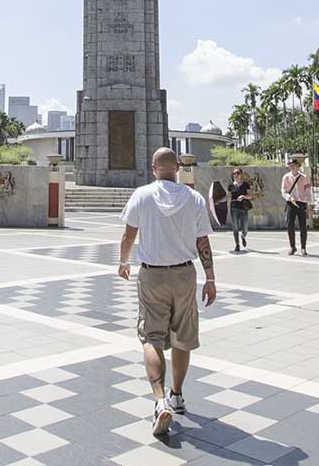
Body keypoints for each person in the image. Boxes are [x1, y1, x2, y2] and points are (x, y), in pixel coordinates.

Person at [119, 147, 217, 436]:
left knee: (151, 337)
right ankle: (177, 393)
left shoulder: (142, 195)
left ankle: (160, 400)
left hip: (152, 275)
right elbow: (203, 243)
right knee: (182, 337)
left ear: (153, 168)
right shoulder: (194, 198)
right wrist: (210, 278)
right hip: (185, 274)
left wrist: (123, 262)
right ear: (177, 167)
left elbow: (128, 235)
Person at [280, 159, 312, 256]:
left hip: (301, 203)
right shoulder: (286, 177)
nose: (292, 167)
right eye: (291, 165)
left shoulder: (304, 177)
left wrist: (310, 204)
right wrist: (289, 198)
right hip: (290, 203)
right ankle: (292, 247)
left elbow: (308, 191)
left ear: (298, 166)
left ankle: (303, 248)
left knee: (303, 226)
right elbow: (283, 190)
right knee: (289, 225)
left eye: (294, 165)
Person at [227, 168, 252, 252]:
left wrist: (243, 196)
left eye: (237, 173)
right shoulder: (231, 185)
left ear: (241, 174)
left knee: (245, 228)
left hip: (243, 208)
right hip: (234, 208)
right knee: (235, 227)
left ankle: (243, 236)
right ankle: (237, 244)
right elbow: (228, 196)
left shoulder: (245, 184)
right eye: (234, 173)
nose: (236, 175)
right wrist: (218, 201)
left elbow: (250, 196)